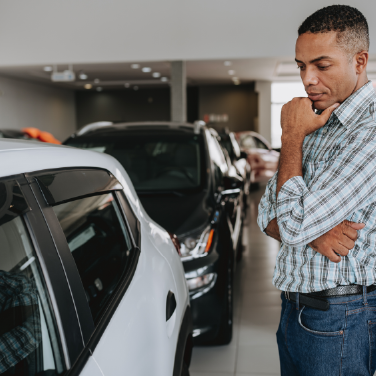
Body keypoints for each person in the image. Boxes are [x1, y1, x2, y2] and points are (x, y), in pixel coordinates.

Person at [257, 5, 376, 375]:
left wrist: (290, 136)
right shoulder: (317, 121)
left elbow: (289, 225)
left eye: (321, 66)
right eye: (300, 65)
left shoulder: (368, 132)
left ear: (359, 61)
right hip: (295, 308)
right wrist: (314, 233)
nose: (308, 79)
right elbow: (265, 214)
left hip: (340, 318)